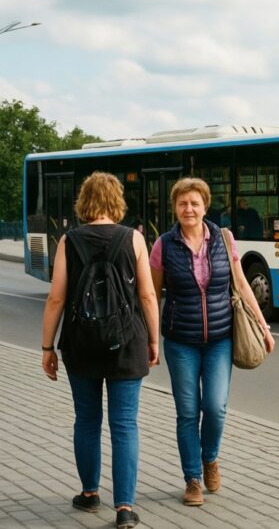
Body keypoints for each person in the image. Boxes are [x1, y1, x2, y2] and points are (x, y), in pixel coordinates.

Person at [40, 172, 160, 529]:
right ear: (117, 200)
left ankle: (90, 494)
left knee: (87, 420)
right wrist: (154, 340)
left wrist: (47, 346)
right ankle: (124, 508)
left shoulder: (69, 241)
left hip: (81, 343)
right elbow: (147, 295)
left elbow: (56, 297)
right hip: (127, 342)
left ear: (84, 201)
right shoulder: (134, 239)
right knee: (124, 425)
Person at [150, 178, 275, 507]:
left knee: (216, 408)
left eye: (194, 203)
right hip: (180, 341)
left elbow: (243, 286)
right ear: (175, 208)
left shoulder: (224, 238)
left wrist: (263, 325)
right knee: (187, 412)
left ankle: (211, 458)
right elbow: (151, 295)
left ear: (205, 207)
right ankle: (192, 479)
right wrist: (149, 338)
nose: (188, 209)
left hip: (220, 338)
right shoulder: (164, 244)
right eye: (182, 203)